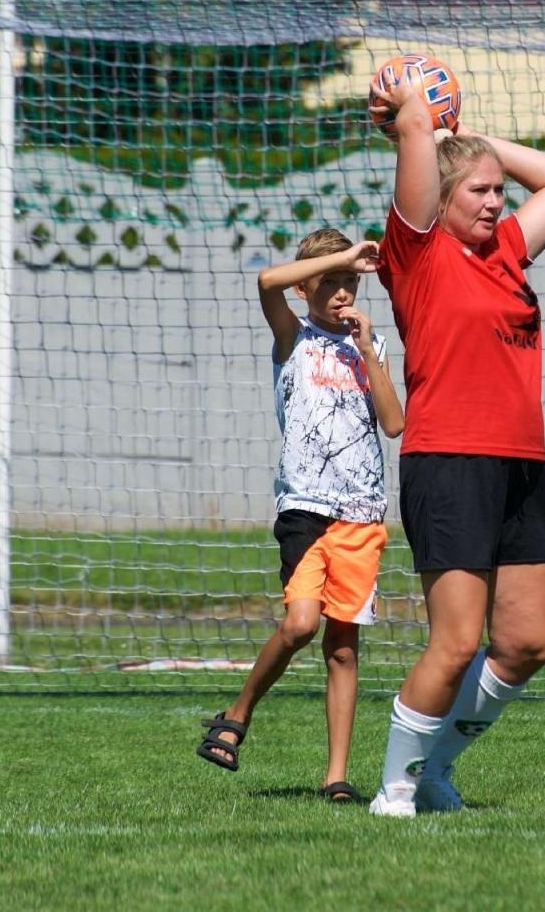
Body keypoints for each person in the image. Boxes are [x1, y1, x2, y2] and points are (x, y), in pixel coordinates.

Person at [364, 67, 545, 817]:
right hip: (449, 459)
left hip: (521, 465)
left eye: (498, 191)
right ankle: (393, 791)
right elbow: (418, 137)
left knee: (525, 645)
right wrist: (420, 122)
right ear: (442, 202)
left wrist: (474, 139)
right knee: (456, 641)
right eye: (478, 192)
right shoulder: (417, 255)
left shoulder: (510, 249)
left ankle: (434, 771)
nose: (496, 202)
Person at [196, 228, 404, 802]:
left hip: (360, 512)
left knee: (342, 646)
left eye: (350, 284)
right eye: (330, 282)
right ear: (308, 284)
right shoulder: (294, 336)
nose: (342, 293)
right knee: (300, 624)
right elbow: (267, 282)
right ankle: (237, 714)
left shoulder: (370, 344)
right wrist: (339, 258)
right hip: (305, 506)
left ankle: (336, 776)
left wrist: (367, 351)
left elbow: (393, 422)